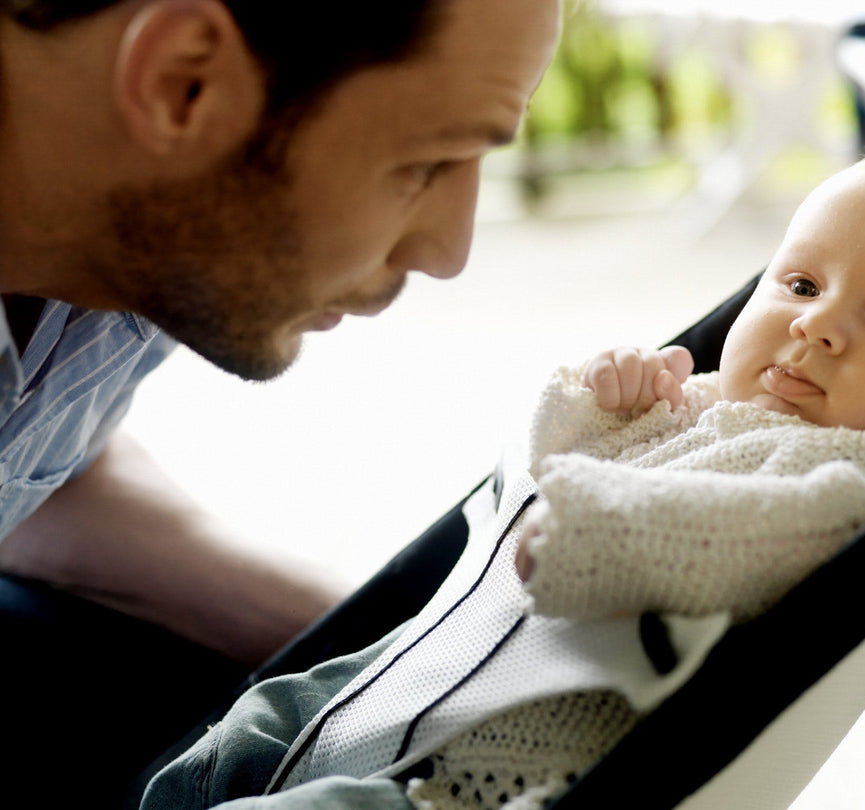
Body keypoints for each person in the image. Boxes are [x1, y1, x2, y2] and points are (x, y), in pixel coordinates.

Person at [141, 146, 865, 810]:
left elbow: (748, 536)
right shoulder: (703, 399)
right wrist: (599, 407)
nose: (818, 328)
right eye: (798, 284)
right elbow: (540, 476)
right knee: (230, 740)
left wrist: (593, 529)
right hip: (397, 686)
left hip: (473, 780)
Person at [0, 0, 560, 803]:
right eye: (427, 163)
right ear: (182, 84)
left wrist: (395, 654)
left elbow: (42, 479)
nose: (449, 251)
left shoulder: (143, 233)